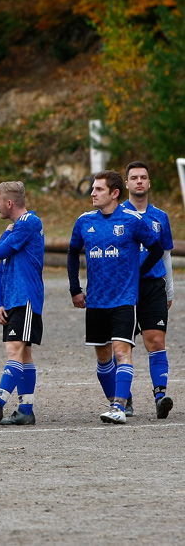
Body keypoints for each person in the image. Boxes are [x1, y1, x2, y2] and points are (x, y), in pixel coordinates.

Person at [67, 171, 164, 423]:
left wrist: (138, 273)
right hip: (96, 301)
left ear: (114, 193)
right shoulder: (84, 221)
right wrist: (75, 288)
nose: (92, 193)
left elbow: (156, 248)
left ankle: (120, 407)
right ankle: (115, 402)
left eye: (98, 189)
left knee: (122, 352)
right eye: (93, 189)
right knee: (103, 358)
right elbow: (71, 253)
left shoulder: (132, 220)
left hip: (124, 300)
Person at [0, 181, 45, 426]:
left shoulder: (29, 223)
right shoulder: (17, 228)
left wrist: (6, 232)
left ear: (9, 203)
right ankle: (25, 410)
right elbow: (2, 271)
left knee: (14, 350)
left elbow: (1, 251)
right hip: (13, 299)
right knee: (23, 354)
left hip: (26, 298)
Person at [121, 161, 175, 419]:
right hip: (124, 288)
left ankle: (160, 397)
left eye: (143, 177)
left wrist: (170, 289)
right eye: (134, 177)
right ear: (126, 184)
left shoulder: (160, 217)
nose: (139, 181)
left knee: (156, 341)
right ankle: (124, 398)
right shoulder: (116, 215)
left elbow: (164, 255)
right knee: (122, 345)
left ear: (149, 183)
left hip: (153, 286)